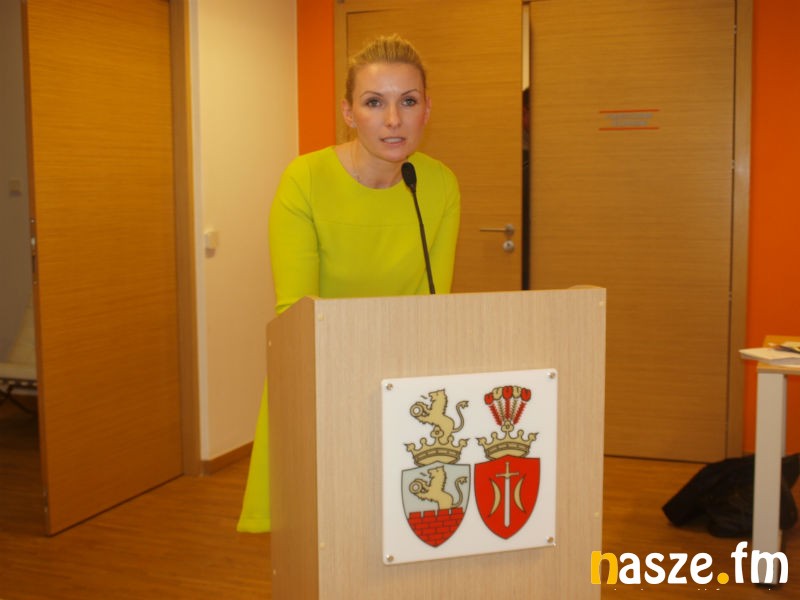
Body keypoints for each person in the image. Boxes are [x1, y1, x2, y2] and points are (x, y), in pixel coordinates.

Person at [236, 34, 461, 533]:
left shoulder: (439, 184)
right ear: (348, 112)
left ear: (427, 110)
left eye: (408, 101)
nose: (393, 119)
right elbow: (296, 315)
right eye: (374, 102)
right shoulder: (305, 179)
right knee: (325, 539)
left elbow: (433, 306)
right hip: (320, 381)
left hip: (404, 392)